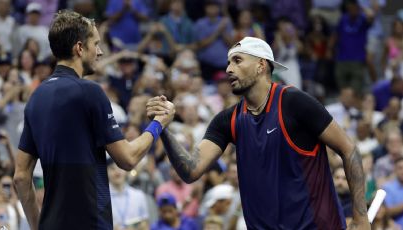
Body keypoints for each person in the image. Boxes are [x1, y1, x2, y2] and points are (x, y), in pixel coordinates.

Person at [147, 36, 370, 229]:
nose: (228, 69)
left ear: (261, 65)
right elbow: (191, 170)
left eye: (237, 60)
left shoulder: (294, 102)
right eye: (228, 63)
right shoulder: (227, 120)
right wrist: (163, 129)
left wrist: (360, 220)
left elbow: (348, 149)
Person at [13, 10, 175, 230]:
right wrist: (159, 123)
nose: (100, 52)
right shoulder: (90, 92)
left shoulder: (36, 98)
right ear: (80, 48)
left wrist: (36, 226)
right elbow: (127, 159)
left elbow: (21, 178)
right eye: (96, 44)